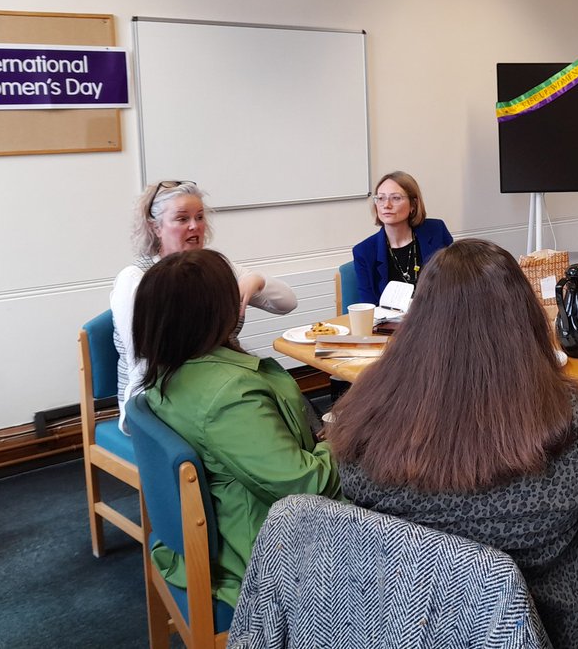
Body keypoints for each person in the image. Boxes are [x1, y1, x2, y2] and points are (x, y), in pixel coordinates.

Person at [329, 239, 578, 649]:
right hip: (541, 629)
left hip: (396, 621)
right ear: (523, 316)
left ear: (418, 318)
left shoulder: (365, 410)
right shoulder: (570, 421)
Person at [132, 249, 341, 608]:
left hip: (234, 532)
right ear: (215, 312)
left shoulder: (169, 372)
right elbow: (308, 485)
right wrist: (342, 442)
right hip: (267, 552)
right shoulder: (229, 397)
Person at [111, 180, 296, 430]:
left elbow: (287, 302)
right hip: (161, 397)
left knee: (284, 406)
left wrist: (257, 280)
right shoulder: (135, 279)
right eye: (181, 219)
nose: (194, 226)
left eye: (199, 217)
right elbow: (144, 362)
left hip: (219, 385)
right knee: (254, 424)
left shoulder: (216, 268)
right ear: (156, 227)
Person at [351, 171, 452, 305]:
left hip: (436, 316)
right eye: (381, 198)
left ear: (413, 205)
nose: (386, 205)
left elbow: (454, 285)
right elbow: (369, 306)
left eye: (396, 198)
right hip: (390, 323)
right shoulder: (364, 251)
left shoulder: (436, 231)